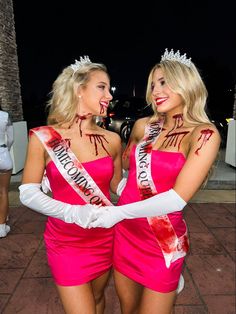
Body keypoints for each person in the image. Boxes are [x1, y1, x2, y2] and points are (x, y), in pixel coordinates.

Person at [89, 49, 221, 313]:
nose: (156, 91)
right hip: (126, 235)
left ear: (187, 84)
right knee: (129, 309)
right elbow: (122, 167)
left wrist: (117, 212)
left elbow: (176, 198)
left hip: (162, 240)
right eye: (153, 85)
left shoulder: (203, 133)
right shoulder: (142, 126)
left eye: (164, 82)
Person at [18, 56, 122, 314]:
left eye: (109, 89)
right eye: (102, 87)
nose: (109, 95)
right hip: (66, 241)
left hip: (105, 236)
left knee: (98, 300)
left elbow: (118, 186)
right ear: (79, 89)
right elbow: (28, 193)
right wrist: (74, 213)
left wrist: (156, 193)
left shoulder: (112, 140)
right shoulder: (43, 137)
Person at [0, 104, 14, 238]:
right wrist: (6, 149)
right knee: (3, 192)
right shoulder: (6, 116)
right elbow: (11, 139)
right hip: (3, 155)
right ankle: (2, 227)